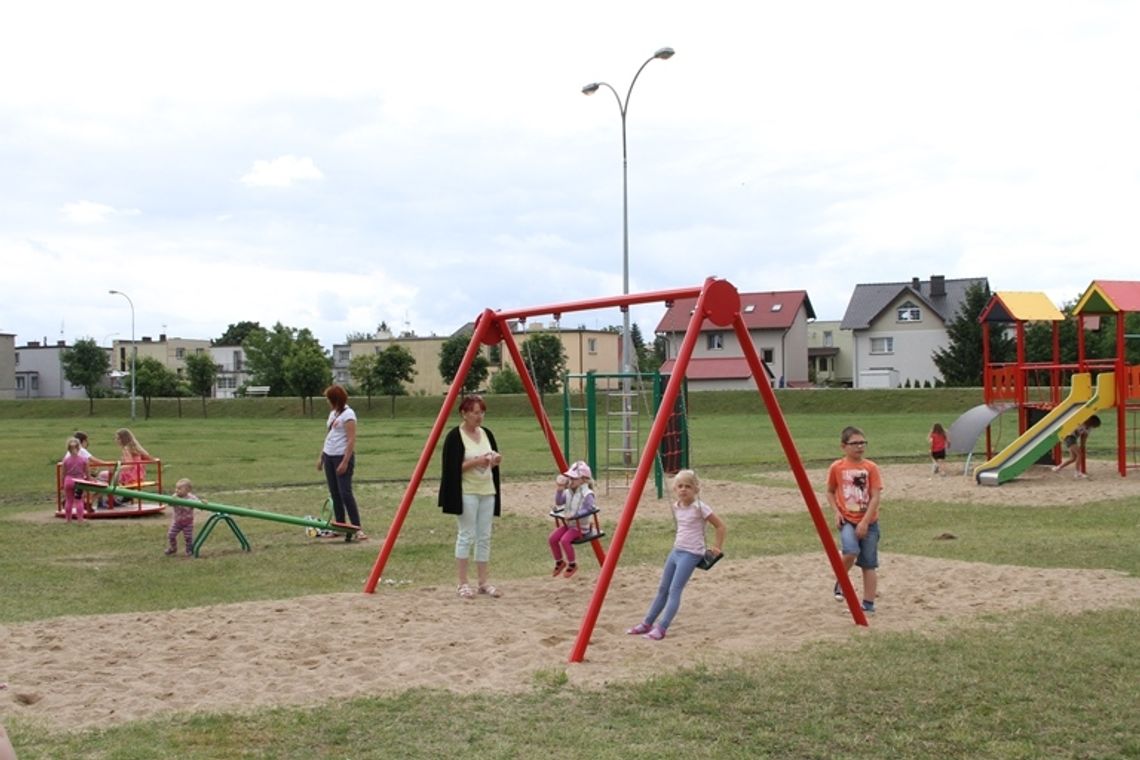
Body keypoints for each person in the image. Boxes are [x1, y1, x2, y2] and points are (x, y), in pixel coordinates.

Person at [626, 469, 726, 641]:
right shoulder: (676, 506)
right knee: (662, 589)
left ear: (696, 489)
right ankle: (647, 623)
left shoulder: (700, 508)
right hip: (676, 551)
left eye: (688, 486)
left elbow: (720, 526)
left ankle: (662, 627)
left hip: (691, 553)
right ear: (675, 489)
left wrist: (717, 546)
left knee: (675, 590)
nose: (683, 489)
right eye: (680, 486)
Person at [438, 393, 503, 600]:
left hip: (487, 490)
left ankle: (483, 582)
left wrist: (494, 460)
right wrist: (476, 461)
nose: (479, 416)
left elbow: (491, 459)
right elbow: (451, 468)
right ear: (464, 413)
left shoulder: (487, 434)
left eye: (482, 412)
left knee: (484, 536)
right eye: (475, 412)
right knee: (466, 535)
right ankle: (463, 583)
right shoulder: (455, 436)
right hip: (467, 492)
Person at [826, 426, 883, 615]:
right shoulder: (837, 467)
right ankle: (841, 581)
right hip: (848, 520)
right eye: (855, 443)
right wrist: (836, 512)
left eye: (862, 443)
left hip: (869, 522)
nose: (860, 446)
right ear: (843, 446)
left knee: (869, 564)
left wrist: (865, 522)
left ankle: (868, 604)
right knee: (850, 551)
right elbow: (830, 491)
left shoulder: (871, 468)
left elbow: (875, 496)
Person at [317, 384, 367, 542]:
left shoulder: (349, 415)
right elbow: (329, 435)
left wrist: (345, 461)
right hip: (329, 456)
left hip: (341, 456)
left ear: (335, 399)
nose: (327, 402)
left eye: (329, 399)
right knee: (334, 493)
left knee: (345, 493)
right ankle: (339, 526)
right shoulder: (333, 414)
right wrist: (321, 457)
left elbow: (351, 439)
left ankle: (357, 528)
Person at [548, 460, 598, 579]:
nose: (571, 480)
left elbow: (588, 509)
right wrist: (560, 489)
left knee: (565, 540)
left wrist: (575, 515)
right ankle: (560, 562)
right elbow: (559, 502)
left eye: (574, 478)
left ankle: (572, 564)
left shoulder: (588, 494)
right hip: (569, 525)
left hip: (581, 528)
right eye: (570, 477)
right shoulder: (569, 491)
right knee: (552, 538)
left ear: (584, 480)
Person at [166, 477, 202, 557]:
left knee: (188, 537)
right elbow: (169, 504)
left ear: (188, 490)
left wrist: (202, 503)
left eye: (179, 489)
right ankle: (173, 548)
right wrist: (171, 500)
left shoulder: (191, 498)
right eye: (176, 488)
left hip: (188, 522)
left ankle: (189, 550)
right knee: (171, 535)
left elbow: (199, 503)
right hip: (177, 522)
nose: (176, 490)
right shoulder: (175, 496)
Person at [60, 437, 90, 523]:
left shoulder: (65, 460)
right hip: (79, 481)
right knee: (79, 500)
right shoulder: (83, 460)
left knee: (69, 500)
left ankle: (68, 519)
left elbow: (63, 474)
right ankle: (80, 519)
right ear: (79, 447)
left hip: (68, 480)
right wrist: (89, 480)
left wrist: (62, 484)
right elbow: (87, 472)